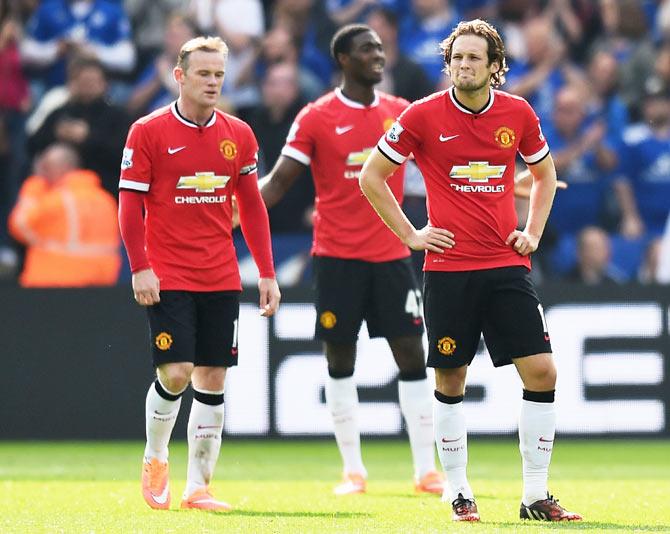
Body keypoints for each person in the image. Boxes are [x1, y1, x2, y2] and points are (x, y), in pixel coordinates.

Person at [360, 19, 582, 522]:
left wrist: (533, 232)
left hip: (506, 263)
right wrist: (412, 235)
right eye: (456, 58)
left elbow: (545, 176)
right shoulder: (421, 116)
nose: (462, 65)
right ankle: (459, 491)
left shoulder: (518, 113)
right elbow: (371, 176)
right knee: (452, 376)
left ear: (495, 67)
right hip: (448, 268)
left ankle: (534, 495)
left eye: (473, 58)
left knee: (542, 370)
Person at [259, 23, 445, 497]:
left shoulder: (400, 112)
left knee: (411, 355)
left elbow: (446, 165)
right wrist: (234, 210)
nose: (378, 55)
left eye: (381, 48)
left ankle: (426, 470)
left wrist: (511, 184)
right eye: (367, 50)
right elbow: (279, 183)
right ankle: (353, 471)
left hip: (392, 257)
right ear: (343, 59)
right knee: (340, 357)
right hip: (337, 258)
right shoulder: (316, 116)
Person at [117, 36, 280, 512]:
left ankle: (198, 488)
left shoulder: (239, 134)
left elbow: (251, 207)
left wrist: (266, 273)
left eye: (219, 74)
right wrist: (140, 267)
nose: (213, 82)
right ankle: (154, 456)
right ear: (180, 75)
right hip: (167, 274)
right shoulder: (147, 131)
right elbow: (129, 207)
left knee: (212, 376)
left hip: (222, 276)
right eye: (204, 73)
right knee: (176, 371)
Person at [8, 142, 121, 287]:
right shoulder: (106, 200)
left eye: (46, 167)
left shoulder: (55, 201)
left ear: (61, 167)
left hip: (55, 280)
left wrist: (33, 187)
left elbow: (18, 225)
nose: (41, 172)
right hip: (102, 282)